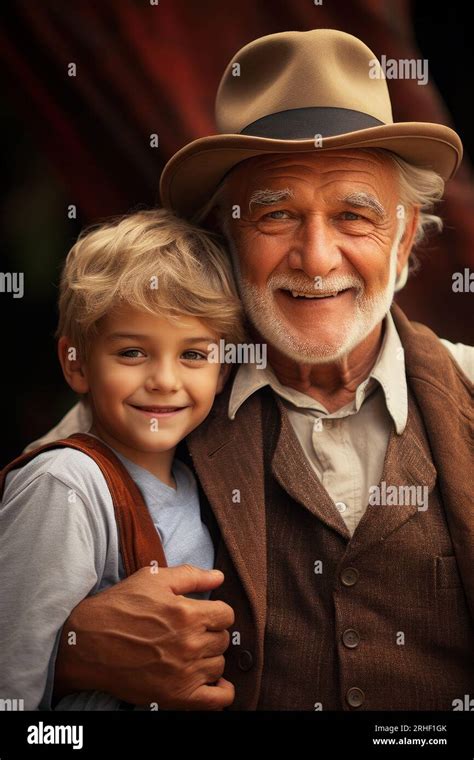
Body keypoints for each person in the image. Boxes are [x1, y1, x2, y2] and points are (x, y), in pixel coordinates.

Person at [17, 29, 474, 710]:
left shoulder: (469, 390)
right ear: (225, 235)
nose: (316, 258)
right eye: (277, 215)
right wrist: (68, 650)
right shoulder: (156, 401)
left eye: (354, 215)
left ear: (406, 234)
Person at [0, 208, 244, 710]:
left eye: (193, 355)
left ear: (222, 374)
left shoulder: (202, 483)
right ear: (76, 364)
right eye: (132, 352)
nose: (163, 379)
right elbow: (12, 674)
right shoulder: (65, 483)